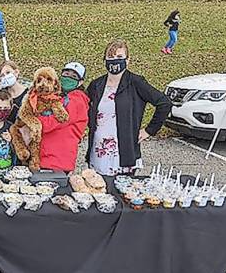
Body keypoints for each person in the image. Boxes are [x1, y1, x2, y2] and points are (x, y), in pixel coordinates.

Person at [87, 39, 172, 176]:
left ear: (128, 60)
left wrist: (149, 130)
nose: (115, 61)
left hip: (124, 150)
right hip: (98, 149)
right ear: (104, 60)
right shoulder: (96, 85)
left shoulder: (136, 82)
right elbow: (84, 107)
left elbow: (164, 103)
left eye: (119, 57)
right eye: (111, 57)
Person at [37, 62, 89, 172]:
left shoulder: (77, 101)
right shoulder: (58, 97)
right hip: (46, 158)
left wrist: (32, 119)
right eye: (66, 73)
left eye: (74, 76)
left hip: (56, 161)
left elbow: (48, 124)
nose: (68, 77)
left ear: (80, 82)